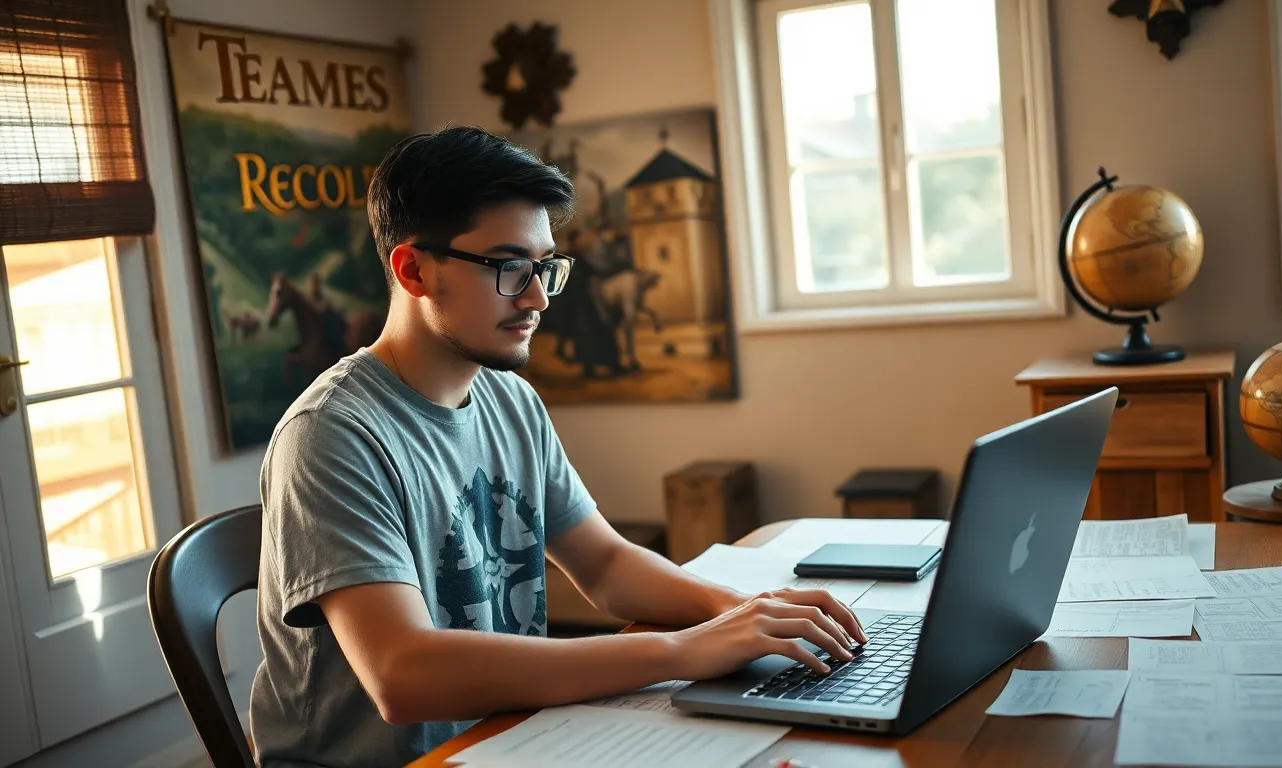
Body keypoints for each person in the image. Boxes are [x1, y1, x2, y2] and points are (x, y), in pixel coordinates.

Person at [248, 125, 867, 768]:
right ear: (414, 270)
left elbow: (603, 564)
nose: (539, 297)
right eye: (511, 268)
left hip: (507, 739)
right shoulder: (331, 435)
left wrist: (747, 616)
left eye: (545, 267)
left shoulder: (509, 400)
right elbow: (403, 674)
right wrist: (681, 651)